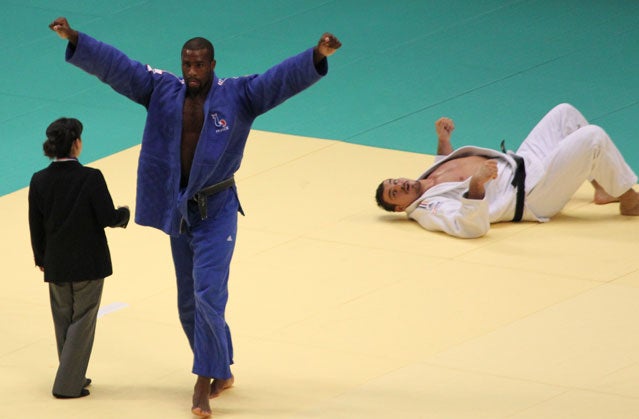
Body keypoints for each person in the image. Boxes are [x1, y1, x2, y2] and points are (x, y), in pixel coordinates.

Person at [49, 16, 341, 417]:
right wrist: (77, 39)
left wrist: (316, 55)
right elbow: (118, 68)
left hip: (218, 209)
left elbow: (278, 80)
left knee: (208, 295)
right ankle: (221, 370)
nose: (192, 71)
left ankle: (202, 383)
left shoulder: (238, 96)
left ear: (213, 64)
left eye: (200, 64)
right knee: (188, 303)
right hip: (180, 210)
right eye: (187, 63)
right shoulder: (162, 90)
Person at [375, 103, 639, 239]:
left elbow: (448, 172)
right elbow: (469, 227)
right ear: (400, 209)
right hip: (531, 194)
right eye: (395, 193)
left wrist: (443, 141)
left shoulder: (426, 179)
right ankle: (629, 201)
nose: (399, 185)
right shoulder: (428, 211)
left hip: (522, 163)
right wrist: (477, 184)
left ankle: (603, 189)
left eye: (393, 182)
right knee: (592, 137)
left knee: (564, 113)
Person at [28, 117, 130, 399]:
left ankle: (71, 373)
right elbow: (108, 217)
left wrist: (40, 257)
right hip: (88, 262)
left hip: (56, 263)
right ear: (76, 144)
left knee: (63, 320)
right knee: (83, 321)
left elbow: (35, 224)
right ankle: (67, 384)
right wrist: (124, 215)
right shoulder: (91, 177)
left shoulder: (39, 180)